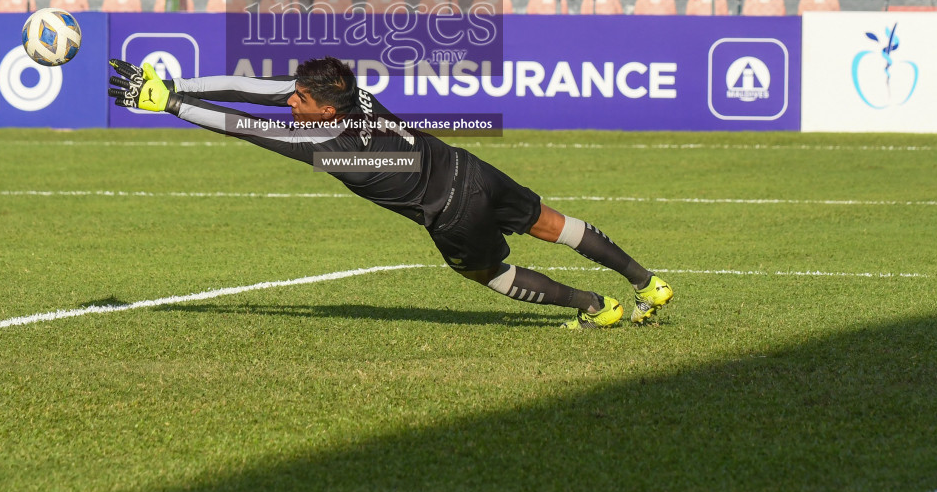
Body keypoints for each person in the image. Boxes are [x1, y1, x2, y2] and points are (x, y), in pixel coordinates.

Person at [109, 56, 674, 329]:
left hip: (449, 213)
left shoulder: (321, 140)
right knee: (552, 223)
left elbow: (247, 124)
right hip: (470, 169)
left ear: (325, 109)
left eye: (299, 102)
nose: (291, 104)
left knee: (487, 275)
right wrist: (180, 85)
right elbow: (260, 91)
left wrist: (174, 105)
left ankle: (595, 308)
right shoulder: (356, 97)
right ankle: (649, 282)